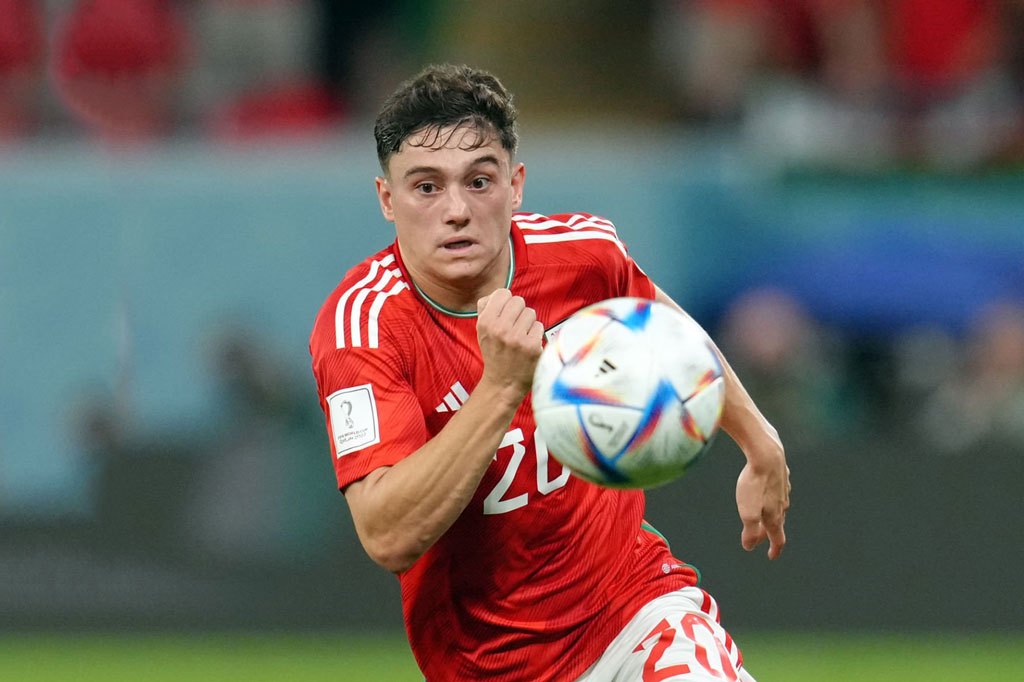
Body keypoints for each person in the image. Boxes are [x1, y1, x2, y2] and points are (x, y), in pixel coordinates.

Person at [309, 64, 790, 682]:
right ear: (387, 200)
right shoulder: (364, 328)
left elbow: (669, 331)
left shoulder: (584, 256)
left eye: (479, 181)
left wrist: (758, 439)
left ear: (515, 186)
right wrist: (501, 387)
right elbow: (387, 535)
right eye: (426, 187)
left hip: (635, 613)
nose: (456, 210)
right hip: (488, 664)